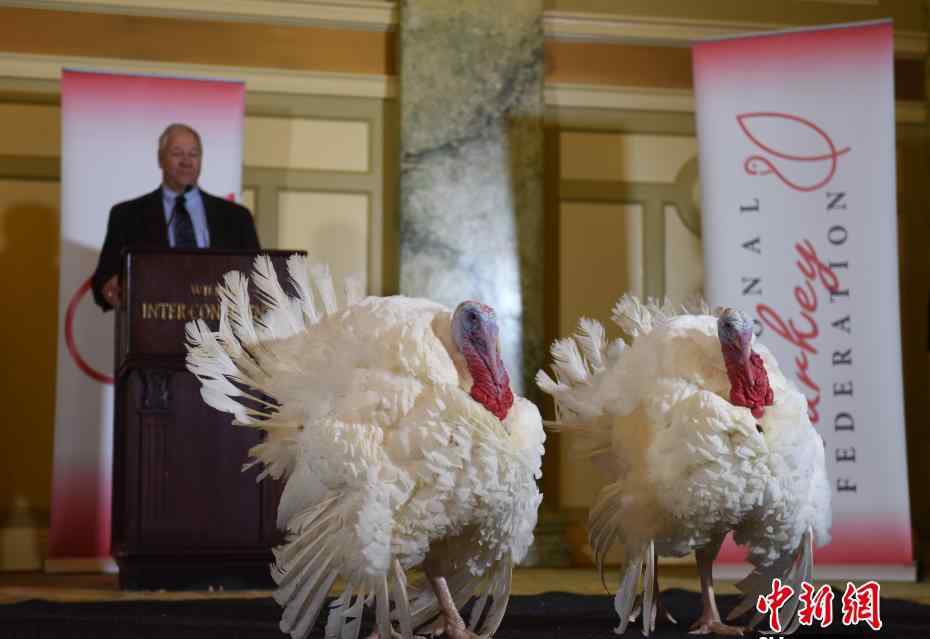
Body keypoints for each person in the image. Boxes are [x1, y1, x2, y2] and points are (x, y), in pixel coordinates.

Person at [91, 123, 260, 311]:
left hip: (220, 330)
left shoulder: (237, 218)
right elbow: (103, 280)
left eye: (193, 154)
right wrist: (109, 288)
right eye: (177, 153)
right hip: (152, 329)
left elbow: (257, 277)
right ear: (160, 159)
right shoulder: (127, 215)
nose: (186, 161)